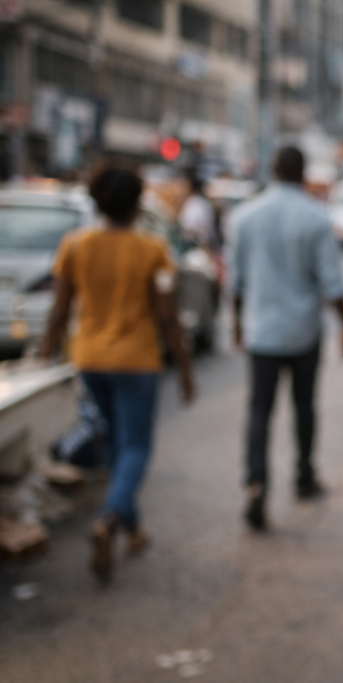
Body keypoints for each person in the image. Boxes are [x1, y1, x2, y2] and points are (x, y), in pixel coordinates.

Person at [40, 162, 195, 582]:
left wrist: (44, 355)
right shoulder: (152, 250)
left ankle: (134, 528)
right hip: (137, 361)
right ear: (136, 204)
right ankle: (110, 521)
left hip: (89, 359)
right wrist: (183, 369)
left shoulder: (74, 246)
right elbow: (168, 319)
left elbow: (59, 311)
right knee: (135, 448)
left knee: (114, 445)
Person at [228, 146, 343, 531]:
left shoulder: (244, 216)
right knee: (304, 405)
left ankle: (255, 482)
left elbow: (236, 282)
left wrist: (236, 323)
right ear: (302, 174)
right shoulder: (315, 218)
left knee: (259, 409)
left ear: (272, 170)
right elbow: (332, 283)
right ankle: (303, 476)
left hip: (261, 332)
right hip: (302, 332)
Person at [179, 171, 216, 248]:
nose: (180, 189)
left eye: (183, 186)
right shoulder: (201, 202)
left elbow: (190, 228)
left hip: (196, 247)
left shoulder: (195, 203)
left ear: (190, 186)